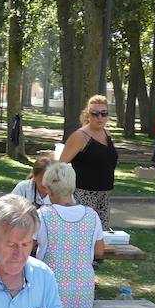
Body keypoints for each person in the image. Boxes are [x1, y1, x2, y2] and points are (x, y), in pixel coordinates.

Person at [33, 162, 105, 308]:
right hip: (83, 293)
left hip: (51, 290)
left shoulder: (43, 215)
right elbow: (100, 251)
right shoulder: (92, 215)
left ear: (49, 190)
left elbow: (27, 246)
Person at [60, 95, 119, 230]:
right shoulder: (80, 136)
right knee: (82, 234)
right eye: (95, 114)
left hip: (104, 195)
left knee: (100, 236)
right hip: (83, 195)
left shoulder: (107, 134)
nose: (100, 117)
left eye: (103, 114)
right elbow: (60, 165)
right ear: (88, 115)